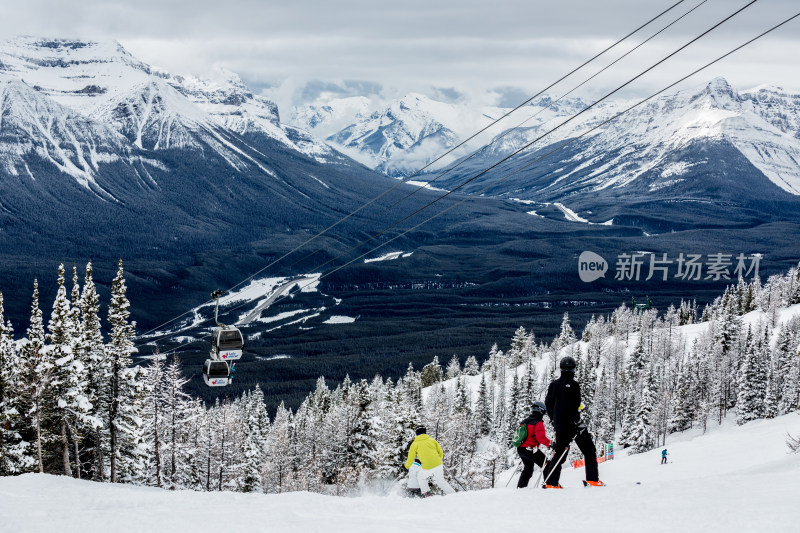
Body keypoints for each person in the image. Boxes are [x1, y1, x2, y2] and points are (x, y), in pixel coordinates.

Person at [542, 356, 605, 488]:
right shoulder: (574, 385)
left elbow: (548, 404)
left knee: (559, 454)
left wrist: (554, 420)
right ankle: (592, 480)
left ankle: (551, 483)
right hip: (573, 425)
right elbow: (574, 406)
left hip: (559, 425)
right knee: (589, 450)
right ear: (574, 369)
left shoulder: (553, 385)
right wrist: (577, 422)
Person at [404, 426, 455, 496]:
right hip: (439, 464)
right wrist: (437, 460)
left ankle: (427, 494)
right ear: (425, 432)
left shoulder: (415, 443)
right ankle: (454, 494)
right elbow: (440, 452)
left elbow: (410, 457)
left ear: (417, 433)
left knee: (421, 478)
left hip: (428, 466)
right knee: (441, 481)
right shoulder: (432, 440)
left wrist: (406, 466)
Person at [515, 401, 551, 488]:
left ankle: (521, 488)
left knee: (528, 468)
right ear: (541, 411)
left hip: (521, 449)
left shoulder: (524, 421)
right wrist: (550, 444)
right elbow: (541, 438)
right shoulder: (538, 422)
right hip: (530, 449)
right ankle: (549, 485)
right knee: (547, 464)